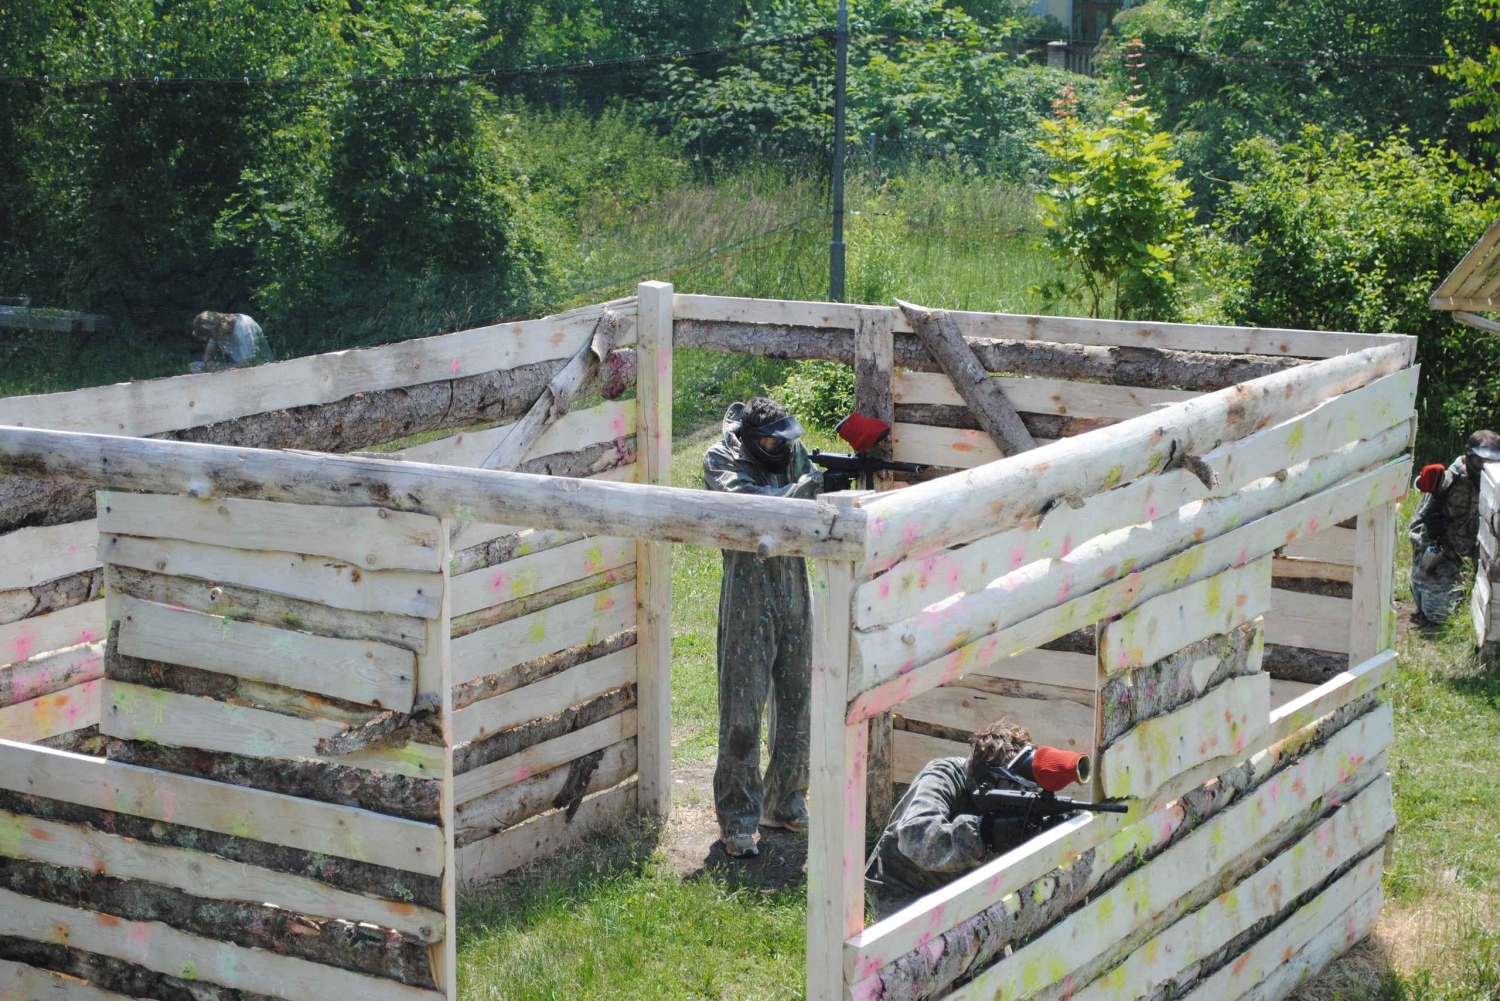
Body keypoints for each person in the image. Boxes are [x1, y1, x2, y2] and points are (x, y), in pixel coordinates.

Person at [702, 397, 849, 858]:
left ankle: (785, 800)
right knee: (743, 710)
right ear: (752, 439)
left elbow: (813, 498)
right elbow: (751, 510)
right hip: (748, 588)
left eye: (785, 441)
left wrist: (828, 488)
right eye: (772, 442)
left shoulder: (790, 451)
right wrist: (807, 489)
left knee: (798, 700)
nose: (782, 449)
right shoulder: (720, 459)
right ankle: (738, 819)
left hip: (794, 583)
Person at [864, 720, 1085, 920]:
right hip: (904, 887)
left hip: (962, 891)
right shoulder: (943, 776)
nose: (1021, 796)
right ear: (986, 781)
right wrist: (986, 833)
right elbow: (916, 837)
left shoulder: (1010, 797)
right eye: (1012, 787)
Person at [1409, 430, 1500, 624]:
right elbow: (1415, 529)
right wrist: (1429, 533)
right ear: (1468, 457)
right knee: (1442, 614)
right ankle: (1420, 589)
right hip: (1445, 562)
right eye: (1478, 461)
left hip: (1481, 562)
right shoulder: (1446, 483)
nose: (1484, 468)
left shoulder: (1496, 487)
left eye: (1490, 462)